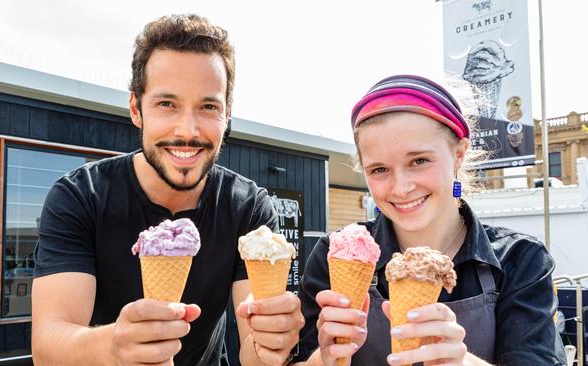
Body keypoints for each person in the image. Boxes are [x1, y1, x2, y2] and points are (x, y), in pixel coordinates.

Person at [31, 14, 303, 366]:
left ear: (227, 116)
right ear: (136, 109)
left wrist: (271, 342)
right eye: (166, 104)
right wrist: (115, 346)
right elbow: (48, 348)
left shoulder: (249, 209)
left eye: (208, 107)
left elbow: (254, 354)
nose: (187, 130)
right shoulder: (80, 196)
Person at [293, 75, 566, 365]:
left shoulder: (520, 260)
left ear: (458, 154)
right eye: (379, 169)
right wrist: (322, 359)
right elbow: (297, 356)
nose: (401, 188)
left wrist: (464, 362)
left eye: (419, 161)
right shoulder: (334, 254)